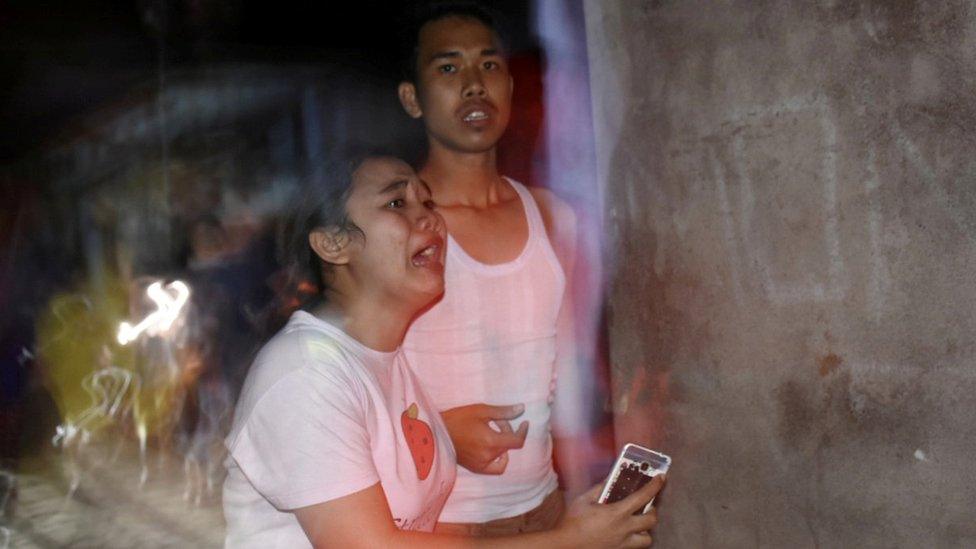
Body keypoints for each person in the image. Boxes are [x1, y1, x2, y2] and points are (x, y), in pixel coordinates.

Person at [221, 152, 663, 547]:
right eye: (397, 203)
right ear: (333, 243)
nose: (430, 218)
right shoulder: (303, 376)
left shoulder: (385, 363)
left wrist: (445, 437)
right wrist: (569, 542)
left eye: (427, 202)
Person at [397, 2, 599, 534]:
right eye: (448, 68)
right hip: (438, 521)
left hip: (546, 507)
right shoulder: (398, 229)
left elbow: (566, 368)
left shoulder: (555, 218)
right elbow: (351, 380)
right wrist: (438, 433)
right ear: (412, 99)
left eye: (489, 66)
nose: (472, 84)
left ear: (510, 85)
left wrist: (580, 490)